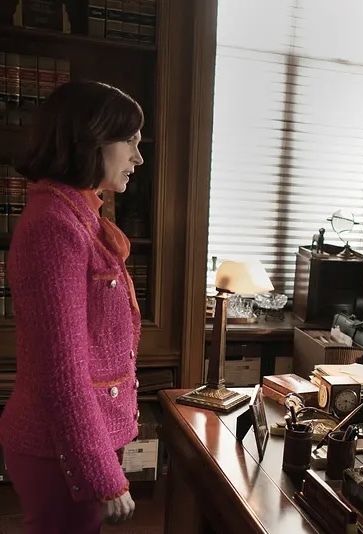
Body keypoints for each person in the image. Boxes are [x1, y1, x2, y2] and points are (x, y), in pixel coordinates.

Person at [0, 81, 145, 533]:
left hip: (79, 440)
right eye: (130, 142)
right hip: (59, 449)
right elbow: (60, 372)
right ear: (91, 138)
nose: (138, 158)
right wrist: (101, 474)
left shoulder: (79, 216)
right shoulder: (54, 226)